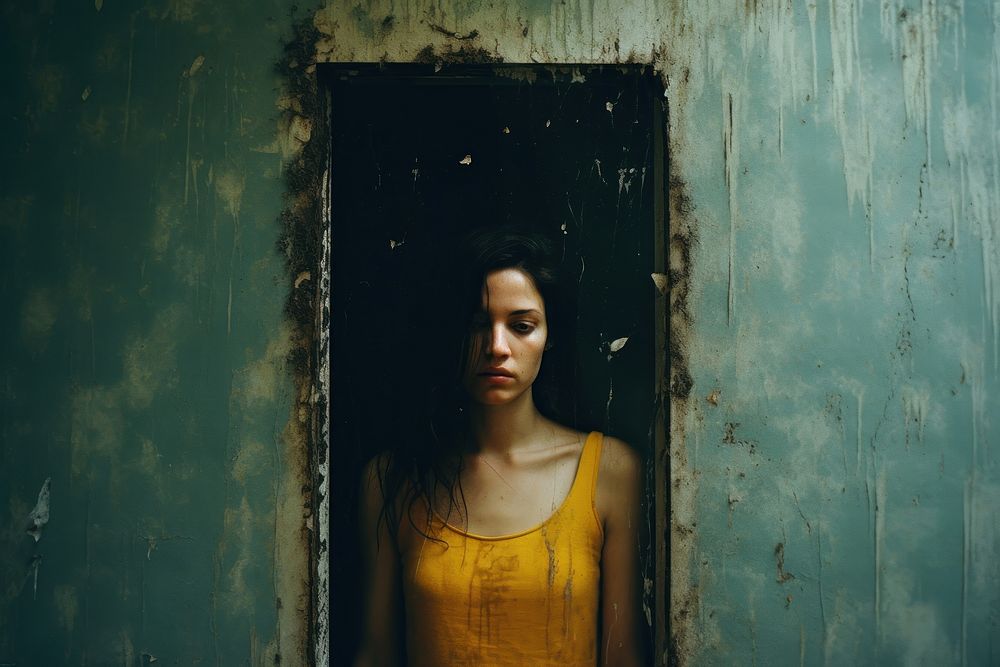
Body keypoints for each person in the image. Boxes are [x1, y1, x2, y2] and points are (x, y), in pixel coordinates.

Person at [355, 227, 644, 667]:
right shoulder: (392, 479)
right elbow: (376, 654)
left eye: (521, 326)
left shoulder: (609, 470)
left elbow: (622, 658)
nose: (496, 347)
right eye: (476, 324)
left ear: (549, 335)